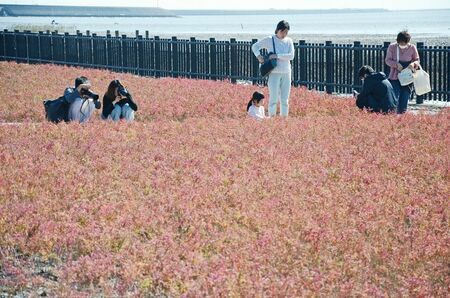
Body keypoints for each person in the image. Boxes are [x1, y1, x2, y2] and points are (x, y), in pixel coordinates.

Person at [252, 20, 295, 117]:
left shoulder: (289, 41)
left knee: (285, 100)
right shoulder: (269, 40)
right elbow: (255, 46)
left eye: (286, 32)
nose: (284, 34)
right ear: (277, 30)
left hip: (286, 73)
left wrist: (277, 55)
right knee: (273, 99)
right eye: (282, 32)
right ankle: (272, 119)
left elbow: (291, 56)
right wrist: (258, 56)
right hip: (274, 73)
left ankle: (284, 120)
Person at [385, 31, 420, 114]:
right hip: (394, 76)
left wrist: (413, 64)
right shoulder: (392, 47)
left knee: (405, 97)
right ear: (397, 41)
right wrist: (396, 65)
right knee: (394, 97)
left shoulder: (412, 47)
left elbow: (417, 59)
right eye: (400, 43)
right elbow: (387, 60)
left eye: (404, 43)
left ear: (408, 41)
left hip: (407, 77)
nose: (402, 45)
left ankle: (402, 116)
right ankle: (393, 114)